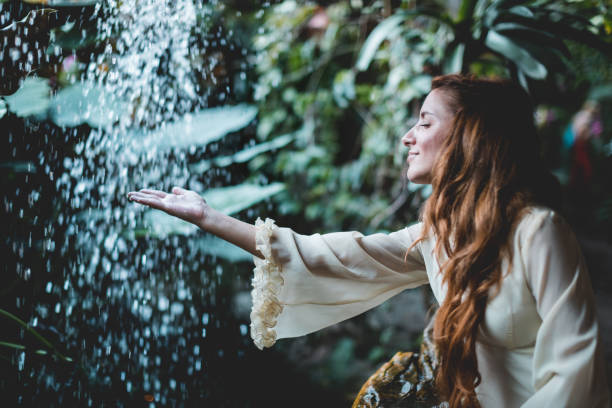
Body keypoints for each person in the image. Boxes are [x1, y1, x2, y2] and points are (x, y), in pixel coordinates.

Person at [127, 74, 610, 407]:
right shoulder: (437, 235)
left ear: (470, 135)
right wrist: (209, 217)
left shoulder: (538, 231)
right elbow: (328, 254)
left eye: (424, 120)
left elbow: (576, 372)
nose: (408, 136)